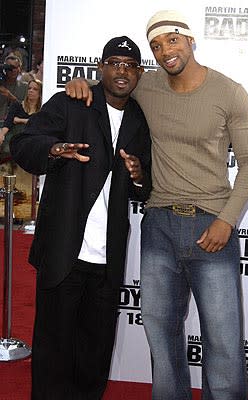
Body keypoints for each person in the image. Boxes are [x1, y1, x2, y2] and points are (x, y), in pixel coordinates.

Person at [66, 10, 248, 400]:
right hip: (158, 227)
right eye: (156, 46)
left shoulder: (229, 91)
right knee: (161, 334)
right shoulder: (148, 87)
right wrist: (80, 81)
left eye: (171, 40)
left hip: (212, 227)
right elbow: (115, 82)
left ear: (190, 41)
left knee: (223, 341)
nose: (164, 51)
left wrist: (227, 220)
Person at [10, 36, 151, 400]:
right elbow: (23, 144)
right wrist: (54, 149)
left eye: (130, 65)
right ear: (101, 67)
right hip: (64, 252)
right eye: (115, 63)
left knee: (94, 355)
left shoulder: (140, 119)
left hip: (107, 261)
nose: (122, 71)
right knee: (53, 353)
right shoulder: (72, 102)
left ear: (138, 74)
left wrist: (137, 176)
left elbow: (145, 187)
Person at [0, 79, 42, 169]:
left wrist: (20, 120)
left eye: (35, 89)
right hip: (17, 139)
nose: (31, 91)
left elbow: (39, 123)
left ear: (40, 93)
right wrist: (2, 134)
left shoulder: (43, 108)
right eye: (29, 88)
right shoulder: (17, 105)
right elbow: (8, 121)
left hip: (33, 141)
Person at [0, 55, 27, 121]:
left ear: (20, 69)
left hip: (14, 124)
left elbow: (26, 108)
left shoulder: (25, 87)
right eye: (10, 67)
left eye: (16, 67)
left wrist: (11, 97)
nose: (13, 70)